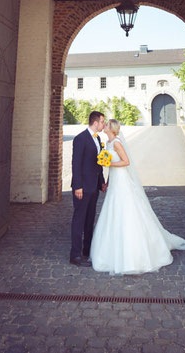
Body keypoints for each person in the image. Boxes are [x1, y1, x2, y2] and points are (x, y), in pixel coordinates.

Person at [90, 119, 185, 274]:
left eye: (107, 125)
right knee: (113, 211)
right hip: (115, 182)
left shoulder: (116, 143)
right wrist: (107, 182)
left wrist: (110, 164)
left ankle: (136, 255)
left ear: (112, 129)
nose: (105, 126)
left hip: (123, 183)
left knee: (127, 211)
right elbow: (111, 166)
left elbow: (126, 162)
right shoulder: (108, 143)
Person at [70, 110, 107, 266]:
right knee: (79, 220)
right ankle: (75, 255)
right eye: (102, 122)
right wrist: (77, 186)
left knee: (90, 220)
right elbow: (76, 164)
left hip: (94, 187)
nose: (104, 125)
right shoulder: (80, 139)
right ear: (95, 122)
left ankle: (87, 250)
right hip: (82, 187)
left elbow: (98, 164)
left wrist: (102, 183)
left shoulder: (98, 138)